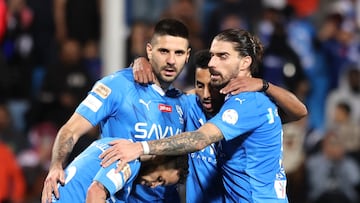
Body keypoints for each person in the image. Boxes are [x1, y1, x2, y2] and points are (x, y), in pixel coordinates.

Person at [101, 28, 300, 203]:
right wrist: (141, 61)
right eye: (212, 55)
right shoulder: (228, 101)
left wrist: (139, 148)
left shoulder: (248, 102)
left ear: (245, 62)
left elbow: (199, 139)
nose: (212, 63)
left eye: (222, 56)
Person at [41, 18, 192, 203]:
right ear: (149, 50)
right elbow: (71, 130)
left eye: (178, 53)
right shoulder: (116, 85)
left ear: (187, 56)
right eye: (163, 51)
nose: (170, 60)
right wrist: (56, 165)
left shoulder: (183, 103)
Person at [49, 137, 188, 203]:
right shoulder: (129, 161)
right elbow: (95, 193)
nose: (154, 186)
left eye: (161, 185)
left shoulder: (111, 142)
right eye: (159, 179)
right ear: (159, 159)